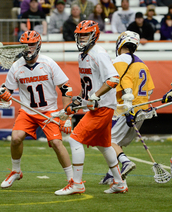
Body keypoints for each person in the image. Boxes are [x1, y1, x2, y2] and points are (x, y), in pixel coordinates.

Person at [56, 20, 128, 195]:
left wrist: (96, 95)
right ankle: (119, 183)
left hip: (103, 107)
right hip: (96, 106)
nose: (81, 38)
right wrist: (76, 104)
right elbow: (89, 86)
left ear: (94, 35)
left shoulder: (99, 54)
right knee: (105, 146)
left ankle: (77, 183)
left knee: (74, 139)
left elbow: (113, 79)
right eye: (80, 35)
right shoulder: (82, 56)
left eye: (85, 35)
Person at [0, 30, 74, 191]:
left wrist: (66, 116)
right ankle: (16, 171)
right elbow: (7, 90)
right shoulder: (16, 66)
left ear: (38, 45)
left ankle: (72, 179)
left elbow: (66, 89)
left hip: (48, 111)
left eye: (31, 44)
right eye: (25, 45)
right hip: (27, 111)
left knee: (56, 143)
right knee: (16, 138)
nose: (28, 48)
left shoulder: (48, 63)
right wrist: (3, 94)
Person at [99, 31, 155, 185]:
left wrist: (127, 106)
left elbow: (123, 85)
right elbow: (150, 90)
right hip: (142, 109)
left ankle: (125, 162)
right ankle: (111, 174)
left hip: (128, 108)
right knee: (119, 142)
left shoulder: (119, 61)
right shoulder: (142, 63)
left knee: (108, 140)